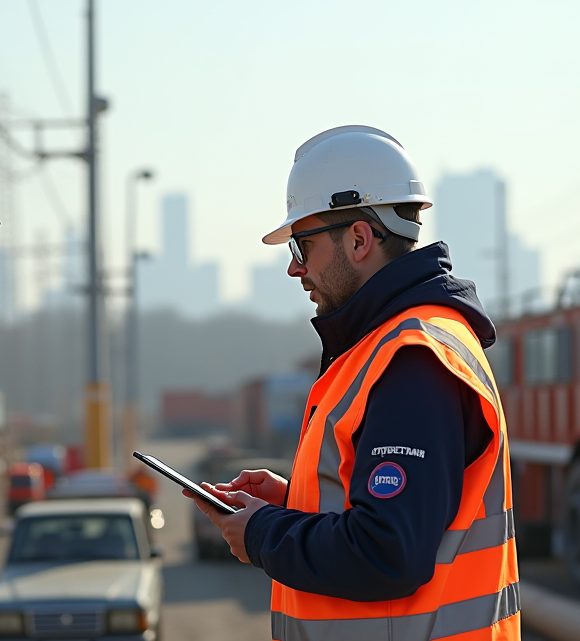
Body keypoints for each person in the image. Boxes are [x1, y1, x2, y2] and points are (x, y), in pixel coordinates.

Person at [186, 126, 520, 640]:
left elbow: (387, 553)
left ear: (360, 239)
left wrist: (261, 532)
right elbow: (385, 516)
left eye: (303, 245)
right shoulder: (387, 347)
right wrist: (295, 501)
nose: (296, 269)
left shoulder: (412, 359)